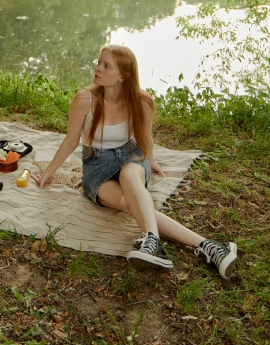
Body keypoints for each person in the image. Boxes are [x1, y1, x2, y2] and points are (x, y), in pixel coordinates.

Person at [33, 44, 237, 278]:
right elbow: (71, 140)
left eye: (106, 65)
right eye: (99, 62)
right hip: (96, 164)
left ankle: (153, 242)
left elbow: (144, 136)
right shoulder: (85, 99)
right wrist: (50, 172)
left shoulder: (142, 101)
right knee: (130, 203)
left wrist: (150, 160)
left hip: (130, 155)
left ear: (123, 76)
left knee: (130, 175)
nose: (98, 68)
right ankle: (209, 246)